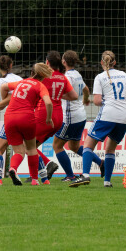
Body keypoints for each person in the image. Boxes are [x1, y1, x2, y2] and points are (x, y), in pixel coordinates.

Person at [69, 50, 126, 188]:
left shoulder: (100, 77)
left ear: (102, 62)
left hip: (108, 114)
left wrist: (107, 102)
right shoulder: (124, 75)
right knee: (110, 149)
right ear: (114, 62)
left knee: (88, 144)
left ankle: (85, 175)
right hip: (123, 116)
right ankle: (107, 181)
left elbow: (96, 101)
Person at [0, 63, 53, 186]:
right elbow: (48, 103)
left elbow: (4, 87)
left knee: (18, 151)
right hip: (26, 117)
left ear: (32, 72)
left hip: (9, 117)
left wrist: (3, 100)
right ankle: (36, 180)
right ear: (43, 75)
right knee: (31, 149)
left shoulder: (21, 82)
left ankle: (13, 169)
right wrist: (48, 118)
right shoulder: (40, 86)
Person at [53, 50, 104, 181]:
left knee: (57, 146)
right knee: (74, 147)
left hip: (70, 117)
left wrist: (55, 96)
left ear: (63, 62)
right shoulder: (77, 75)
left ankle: (70, 175)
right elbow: (86, 89)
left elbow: (70, 95)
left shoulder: (67, 77)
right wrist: (86, 99)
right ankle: (100, 163)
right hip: (81, 115)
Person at [32, 51, 78, 184]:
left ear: (47, 63)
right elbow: (74, 96)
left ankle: (47, 164)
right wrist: (58, 96)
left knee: (26, 145)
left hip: (44, 115)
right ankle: (38, 174)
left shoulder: (43, 77)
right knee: (33, 147)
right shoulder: (63, 78)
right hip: (58, 118)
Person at [0, 55, 23, 186]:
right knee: (30, 148)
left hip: (12, 117)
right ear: (11, 65)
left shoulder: (2, 82)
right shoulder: (19, 79)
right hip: (27, 116)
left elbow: (9, 100)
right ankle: (42, 178)